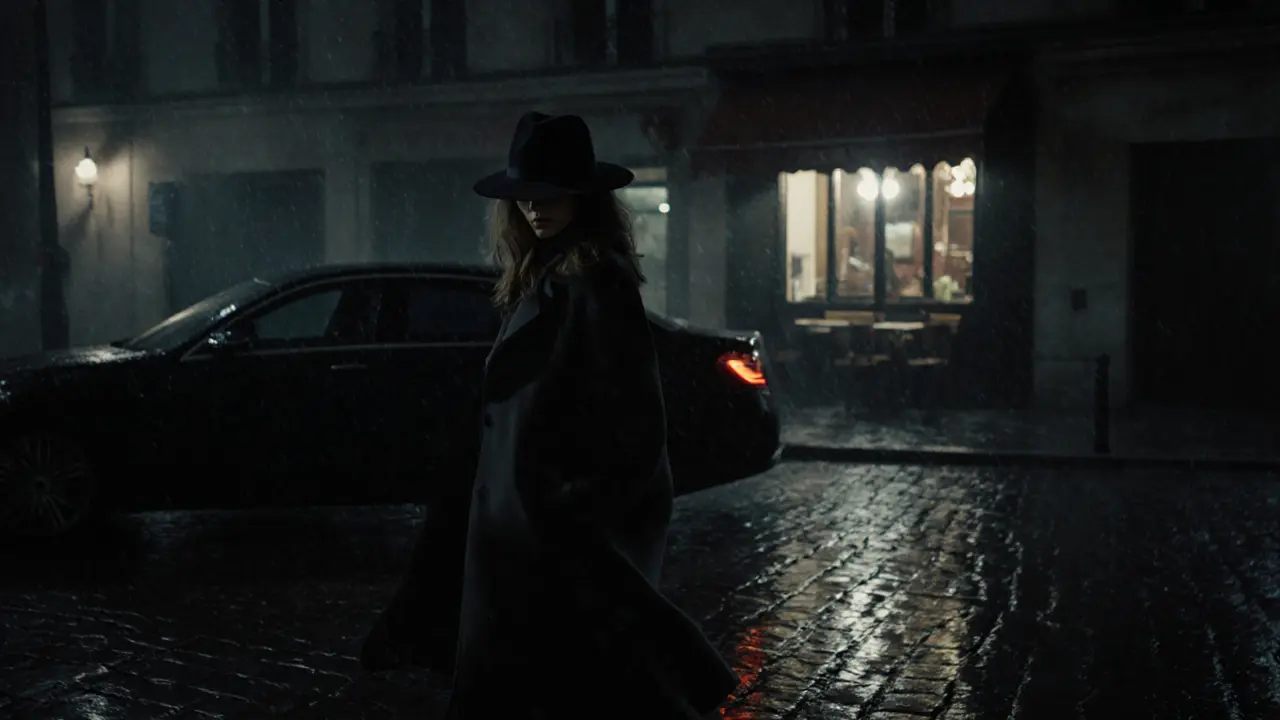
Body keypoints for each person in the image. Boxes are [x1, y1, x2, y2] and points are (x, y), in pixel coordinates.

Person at [438, 111, 738, 718]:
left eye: (549, 193)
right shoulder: (543, 275)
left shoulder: (597, 284)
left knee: (587, 685)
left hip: (551, 535)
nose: (533, 207)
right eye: (525, 195)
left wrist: (567, 507)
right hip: (523, 530)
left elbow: (635, 422)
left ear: (583, 195)